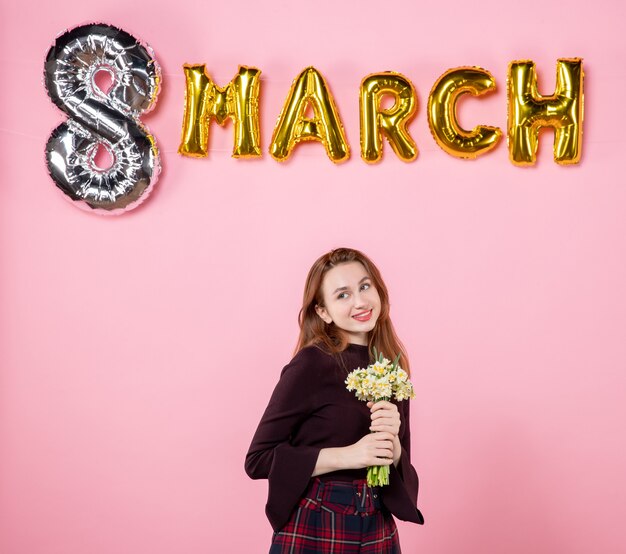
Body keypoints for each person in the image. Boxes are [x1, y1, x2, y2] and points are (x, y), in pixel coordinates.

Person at [245, 248, 424, 553]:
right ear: (323, 311)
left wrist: (393, 449)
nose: (359, 301)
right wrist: (349, 456)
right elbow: (258, 460)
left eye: (364, 287)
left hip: (377, 524)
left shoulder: (391, 368)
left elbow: (400, 473)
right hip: (317, 522)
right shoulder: (312, 363)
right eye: (342, 295)